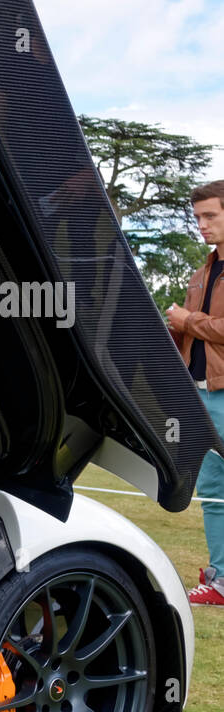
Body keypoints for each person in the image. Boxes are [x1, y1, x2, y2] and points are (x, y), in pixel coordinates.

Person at [167, 180, 224, 605]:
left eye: (210, 216)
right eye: (198, 217)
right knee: (212, 492)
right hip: (200, 394)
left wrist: (187, 320)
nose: (201, 225)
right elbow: (190, 332)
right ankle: (220, 580)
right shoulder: (201, 272)